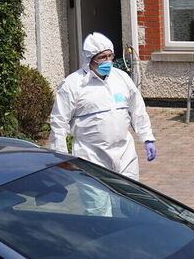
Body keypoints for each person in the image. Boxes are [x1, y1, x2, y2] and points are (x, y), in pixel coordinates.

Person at [49, 32, 156, 180]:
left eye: (110, 56)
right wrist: (61, 156)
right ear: (89, 59)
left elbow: (137, 110)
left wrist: (147, 137)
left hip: (125, 155)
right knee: (97, 195)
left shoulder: (121, 78)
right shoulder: (72, 85)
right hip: (91, 157)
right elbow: (59, 122)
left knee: (128, 193)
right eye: (102, 57)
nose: (108, 61)